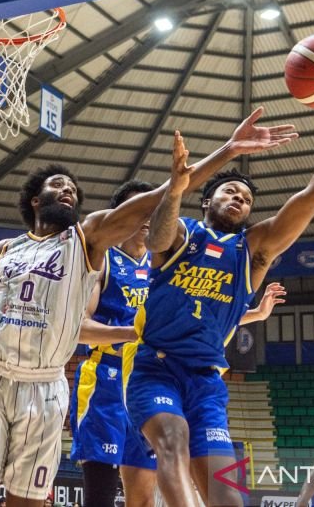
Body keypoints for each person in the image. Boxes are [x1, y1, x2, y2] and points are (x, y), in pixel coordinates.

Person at [0, 106, 296, 506]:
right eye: (58, 185)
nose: (68, 190)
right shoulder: (5, 251)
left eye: (73, 188)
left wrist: (224, 153)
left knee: (56, 497)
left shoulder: (86, 239)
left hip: (50, 383)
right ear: (35, 200)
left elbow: (161, 197)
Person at [126, 77, 314, 507]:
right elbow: (157, 240)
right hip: (155, 367)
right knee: (172, 440)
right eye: (229, 191)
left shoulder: (253, 250)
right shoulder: (184, 232)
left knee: (229, 499)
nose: (239, 198)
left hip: (207, 382)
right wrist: (176, 189)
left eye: (246, 198)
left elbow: (311, 198)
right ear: (207, 201)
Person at [70, 181, 286, 507]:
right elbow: (79, 329)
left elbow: (203, 313)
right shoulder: (104, 260)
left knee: (142, 499)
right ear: (122, 215)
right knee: (100, 495)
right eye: (139, 209)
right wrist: (136, 332)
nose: (146, 216)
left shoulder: (172, 256)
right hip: (108, 379)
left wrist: (255, 314)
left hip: (155, 371)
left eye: (151, 210)